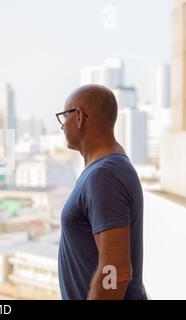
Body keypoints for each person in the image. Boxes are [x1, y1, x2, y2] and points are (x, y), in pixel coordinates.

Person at [56, 84, 147, 300]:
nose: (61, 126)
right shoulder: (106, 168)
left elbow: (116, 271)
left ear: (79, 117)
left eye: (63, 117)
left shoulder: (104, 175)